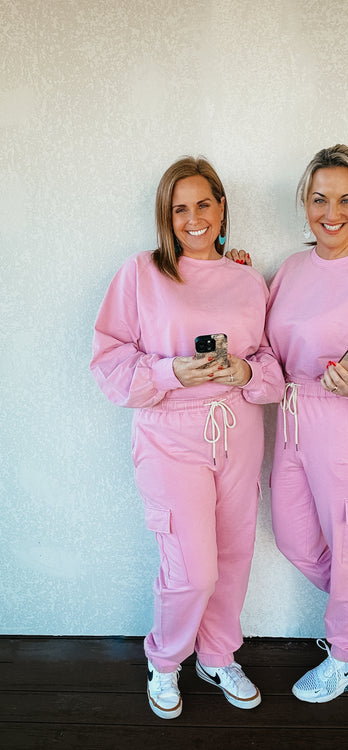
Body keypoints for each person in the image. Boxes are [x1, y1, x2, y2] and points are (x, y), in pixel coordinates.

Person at [90, 156, 285, 719]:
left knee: (233, 555)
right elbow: (108, 363)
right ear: (166, 216)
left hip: (237, 433)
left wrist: (244, 372)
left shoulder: (248, 280)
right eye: (180, 209)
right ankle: (166, 659)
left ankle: (218, 656)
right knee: (192, 569)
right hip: (169, 438)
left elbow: (271, 366)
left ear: (222, 207)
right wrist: (172, 372)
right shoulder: (141, 273)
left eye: (204, 204)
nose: (193, 218)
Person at [228, 144, 348, 702]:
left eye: (346, 200)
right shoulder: (291, 269)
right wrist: (236, 277)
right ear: (304, 202)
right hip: (292, 423)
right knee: (296, 540)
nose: (331, 213)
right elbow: (262, 342)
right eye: (319, 199)